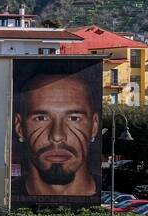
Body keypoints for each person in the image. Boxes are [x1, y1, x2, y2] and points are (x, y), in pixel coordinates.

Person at [12, 65, 101, 200]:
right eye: (41, 118)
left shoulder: (109, 197)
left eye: (74, 118)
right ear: (19, 128)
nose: (57, 136)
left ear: (94, 126)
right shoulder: (3, 197)